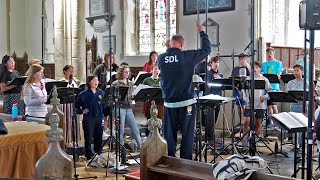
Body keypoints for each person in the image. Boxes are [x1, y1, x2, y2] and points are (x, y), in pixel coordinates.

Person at [158, 23, 211, 159]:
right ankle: (185, 164)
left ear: (170, 44)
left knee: (169, 136)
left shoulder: (161, 58)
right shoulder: (187, 56)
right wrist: (202, 32)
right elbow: (206, 49)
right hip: (186, 102)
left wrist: (168, 48)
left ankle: (169, 162)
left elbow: (170, 58)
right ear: (182, 45)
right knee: (187, 135)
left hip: (169, 104)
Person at [112, 65, 142, 163]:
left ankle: (143, 151)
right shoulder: (115, 83)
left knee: (135, 129)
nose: (127, 73)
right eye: (125, 72)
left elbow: (131, 96)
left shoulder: (130, 83)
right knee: (120, 131)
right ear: (121, 72)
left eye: (128, 72)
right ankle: (122, 153)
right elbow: (113, 97)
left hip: (128, 108)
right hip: (120, 108)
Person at [75, 75, 105, 161]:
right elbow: (76, 106)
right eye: (94, 80)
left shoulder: (101, 93)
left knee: (99, 136)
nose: (96, 82)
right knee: (88, 137)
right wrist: (82, 111)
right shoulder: (83, 94)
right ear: (89, 82)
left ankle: (98, 153)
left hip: (99, 117)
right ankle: (88, 155)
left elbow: (105, 105)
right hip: (89, 118)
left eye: (97, 80)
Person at [242, 61, 272, 146]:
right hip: (249, 104)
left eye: (257, 67)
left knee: (258, 123)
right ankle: (245, 141)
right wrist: (247, 99)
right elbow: (243, 91)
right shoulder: (247, 79)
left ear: (260, 68)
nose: (255, 69)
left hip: (260, 105)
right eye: (253, 67)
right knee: (245, 122)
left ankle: (255, 141)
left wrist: (265, 97)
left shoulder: (264, 79)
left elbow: (269, 91)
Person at [288, 64, 309, 149]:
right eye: (294, 70)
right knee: (293, 125)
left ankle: (301, 144)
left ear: (302, 71)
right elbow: (289, 94)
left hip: (302, 106)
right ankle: (295, 144)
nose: (295, 72)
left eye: (297, 70)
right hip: (293, 106)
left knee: (301, 126)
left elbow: (307, 96)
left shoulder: (306, 83)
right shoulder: (290, 82)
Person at [261, 47, 283, 127]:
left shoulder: (278, 63)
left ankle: (278, 122)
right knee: (269, 106)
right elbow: (262, 74)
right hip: (266, 87)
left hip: (274, 86)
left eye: (270, 53)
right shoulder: (264, 64)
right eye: (268, 53)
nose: (269, 54)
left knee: (274, 105)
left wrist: (276, 76)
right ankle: (271, 123)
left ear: (273, 53)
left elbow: (278, 74)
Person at [60, 65, 81, 144]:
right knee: (67, 122)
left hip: (74, 103)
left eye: (72, 71)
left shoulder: (74, 81)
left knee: (75, 122)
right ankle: (66, 141)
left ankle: (75, 141)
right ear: (65, 71)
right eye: (69, 71)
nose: (71, 73)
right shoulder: (62, 81)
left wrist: (78, 84)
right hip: (66, 104)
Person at [205, 56, 223, 143]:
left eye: (218, 62)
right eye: (215, 62)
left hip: (218, 98)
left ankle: (212, 136)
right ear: (211, 63)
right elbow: (207, 85)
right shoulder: (208, 73)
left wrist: (219, 79)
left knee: (215, 117)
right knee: (210, 119)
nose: (217, 64)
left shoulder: (220, 74)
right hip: (210, 98)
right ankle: (209, 137)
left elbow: (222, 86)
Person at [231, 53, 251, 119]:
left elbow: (251, 75)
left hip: (244, 89)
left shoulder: (247, 68)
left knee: (243, 105)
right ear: (239, 59)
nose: (242, 60)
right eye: (241, 58)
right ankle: (241, 121)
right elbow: (232, 77)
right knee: (238, 106)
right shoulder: (235, 68)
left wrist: (247, 65)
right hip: (236, 89)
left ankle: (245, 120)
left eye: (243, 59)